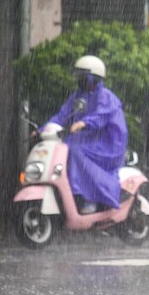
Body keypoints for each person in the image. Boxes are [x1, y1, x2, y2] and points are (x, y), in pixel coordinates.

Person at [38, 55, 129, 214]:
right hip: (89, 138)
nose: (79, 79)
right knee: (63, 147)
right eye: (78, 75)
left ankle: (89, 198)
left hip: (108, 142)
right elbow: (62, 115)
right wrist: (42, 129)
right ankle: (71, 193)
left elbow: (101, 116)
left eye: (83, 76)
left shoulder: (106, 96)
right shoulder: (77, 95)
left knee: (74, 150)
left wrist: (83, 123)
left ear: (93, 77)